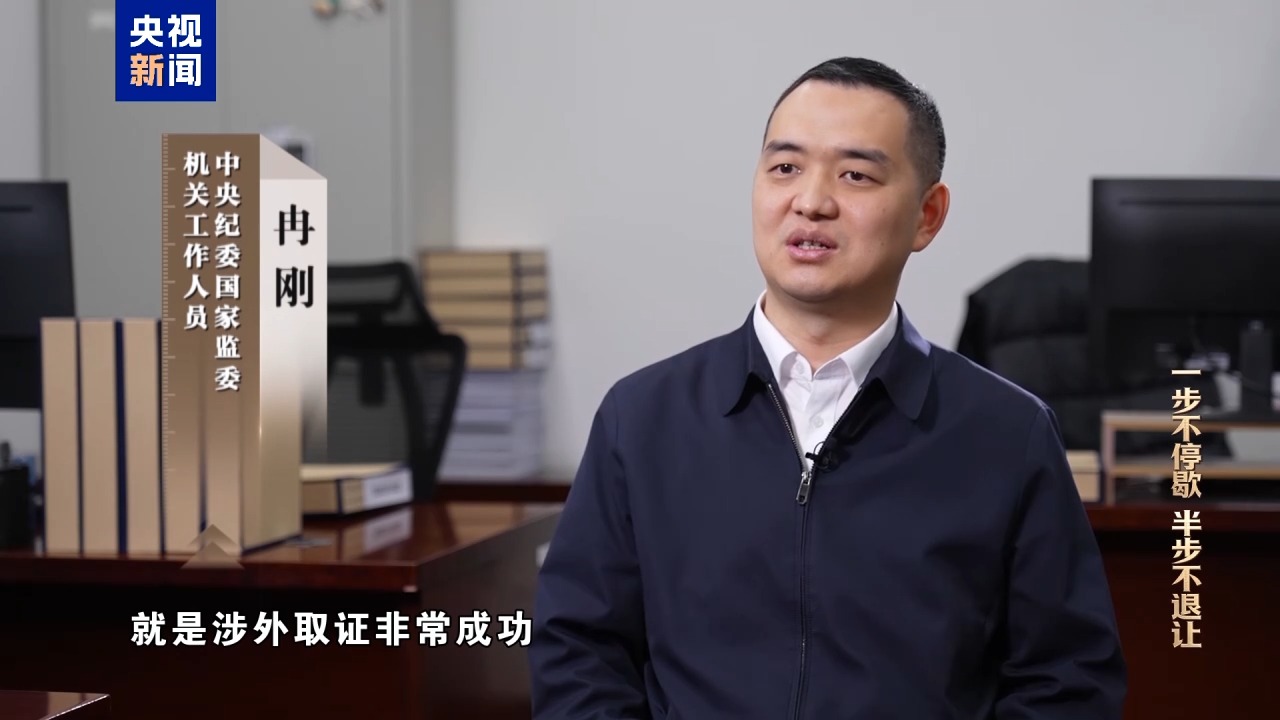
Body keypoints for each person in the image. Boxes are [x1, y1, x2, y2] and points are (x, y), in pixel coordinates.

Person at [528, 56, 1127, 719]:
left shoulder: (1007, 434)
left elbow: (1067, 683)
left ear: (927, 215)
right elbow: (579, 651)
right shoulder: (642, 418)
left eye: (855, 175)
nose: (810, 201)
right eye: (785, 167)